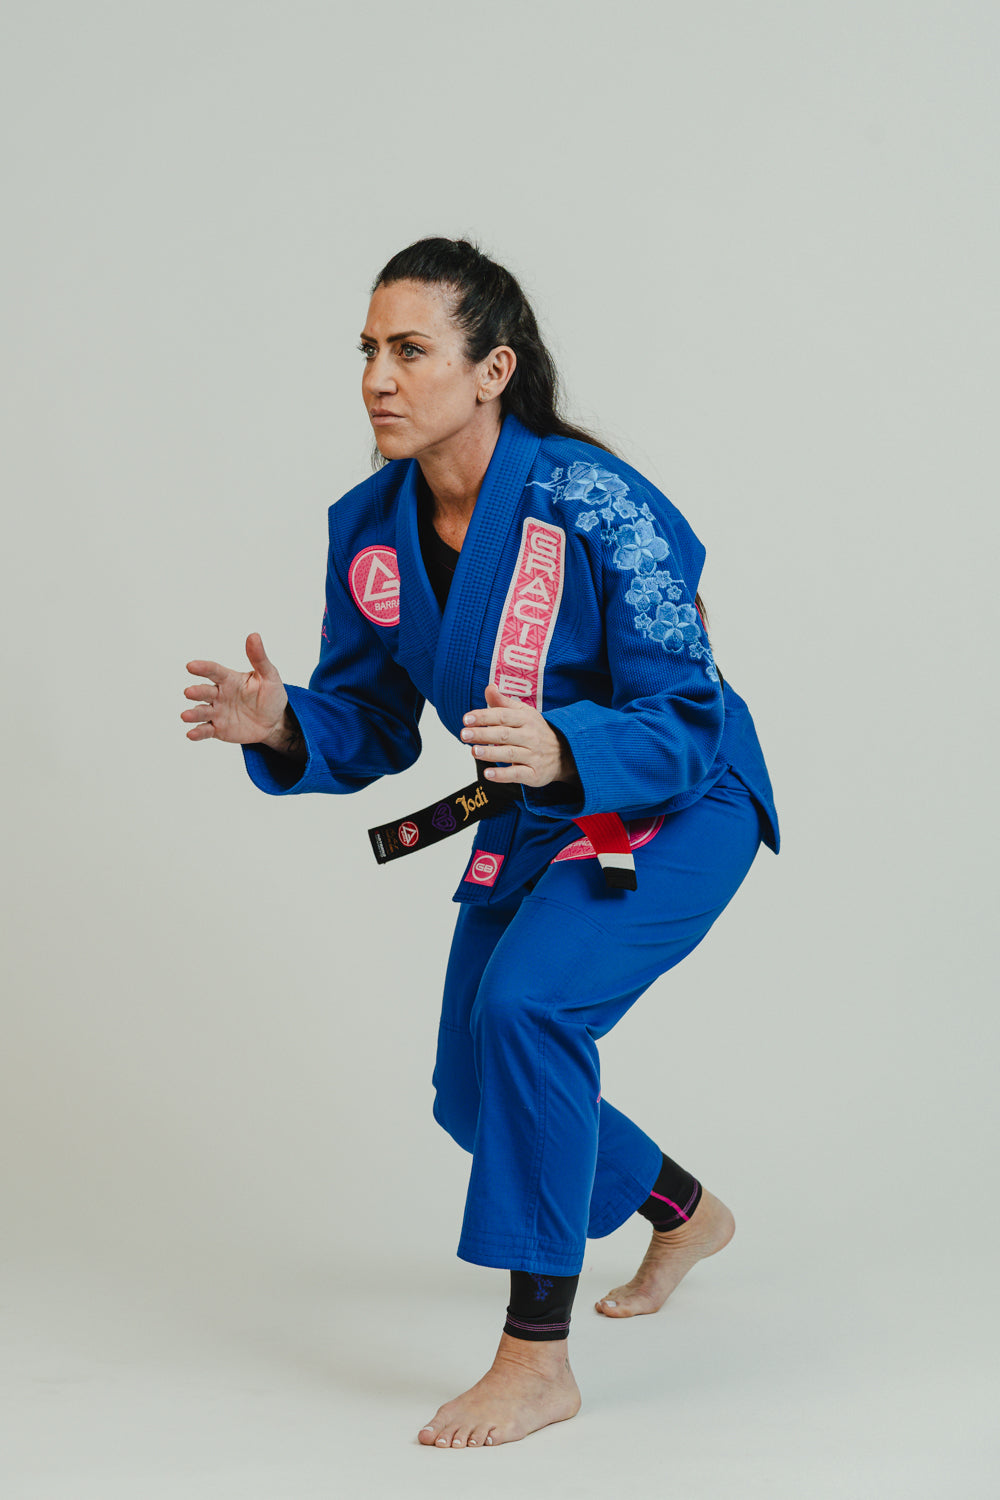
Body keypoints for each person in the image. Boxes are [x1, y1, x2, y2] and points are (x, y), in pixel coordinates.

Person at [182, 237, 779, 1449]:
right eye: (368, 350)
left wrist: (567, 747)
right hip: (540, 813)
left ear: (493, 368)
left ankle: (535, 1360)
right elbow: (370, 725)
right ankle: (683, 1212)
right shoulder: (369, 529)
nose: (378, 378)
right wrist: (285, 721)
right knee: (472, 1093)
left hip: (675, 799)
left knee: (526, 1013)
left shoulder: (594, 500)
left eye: (411, 350)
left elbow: (689, 708)